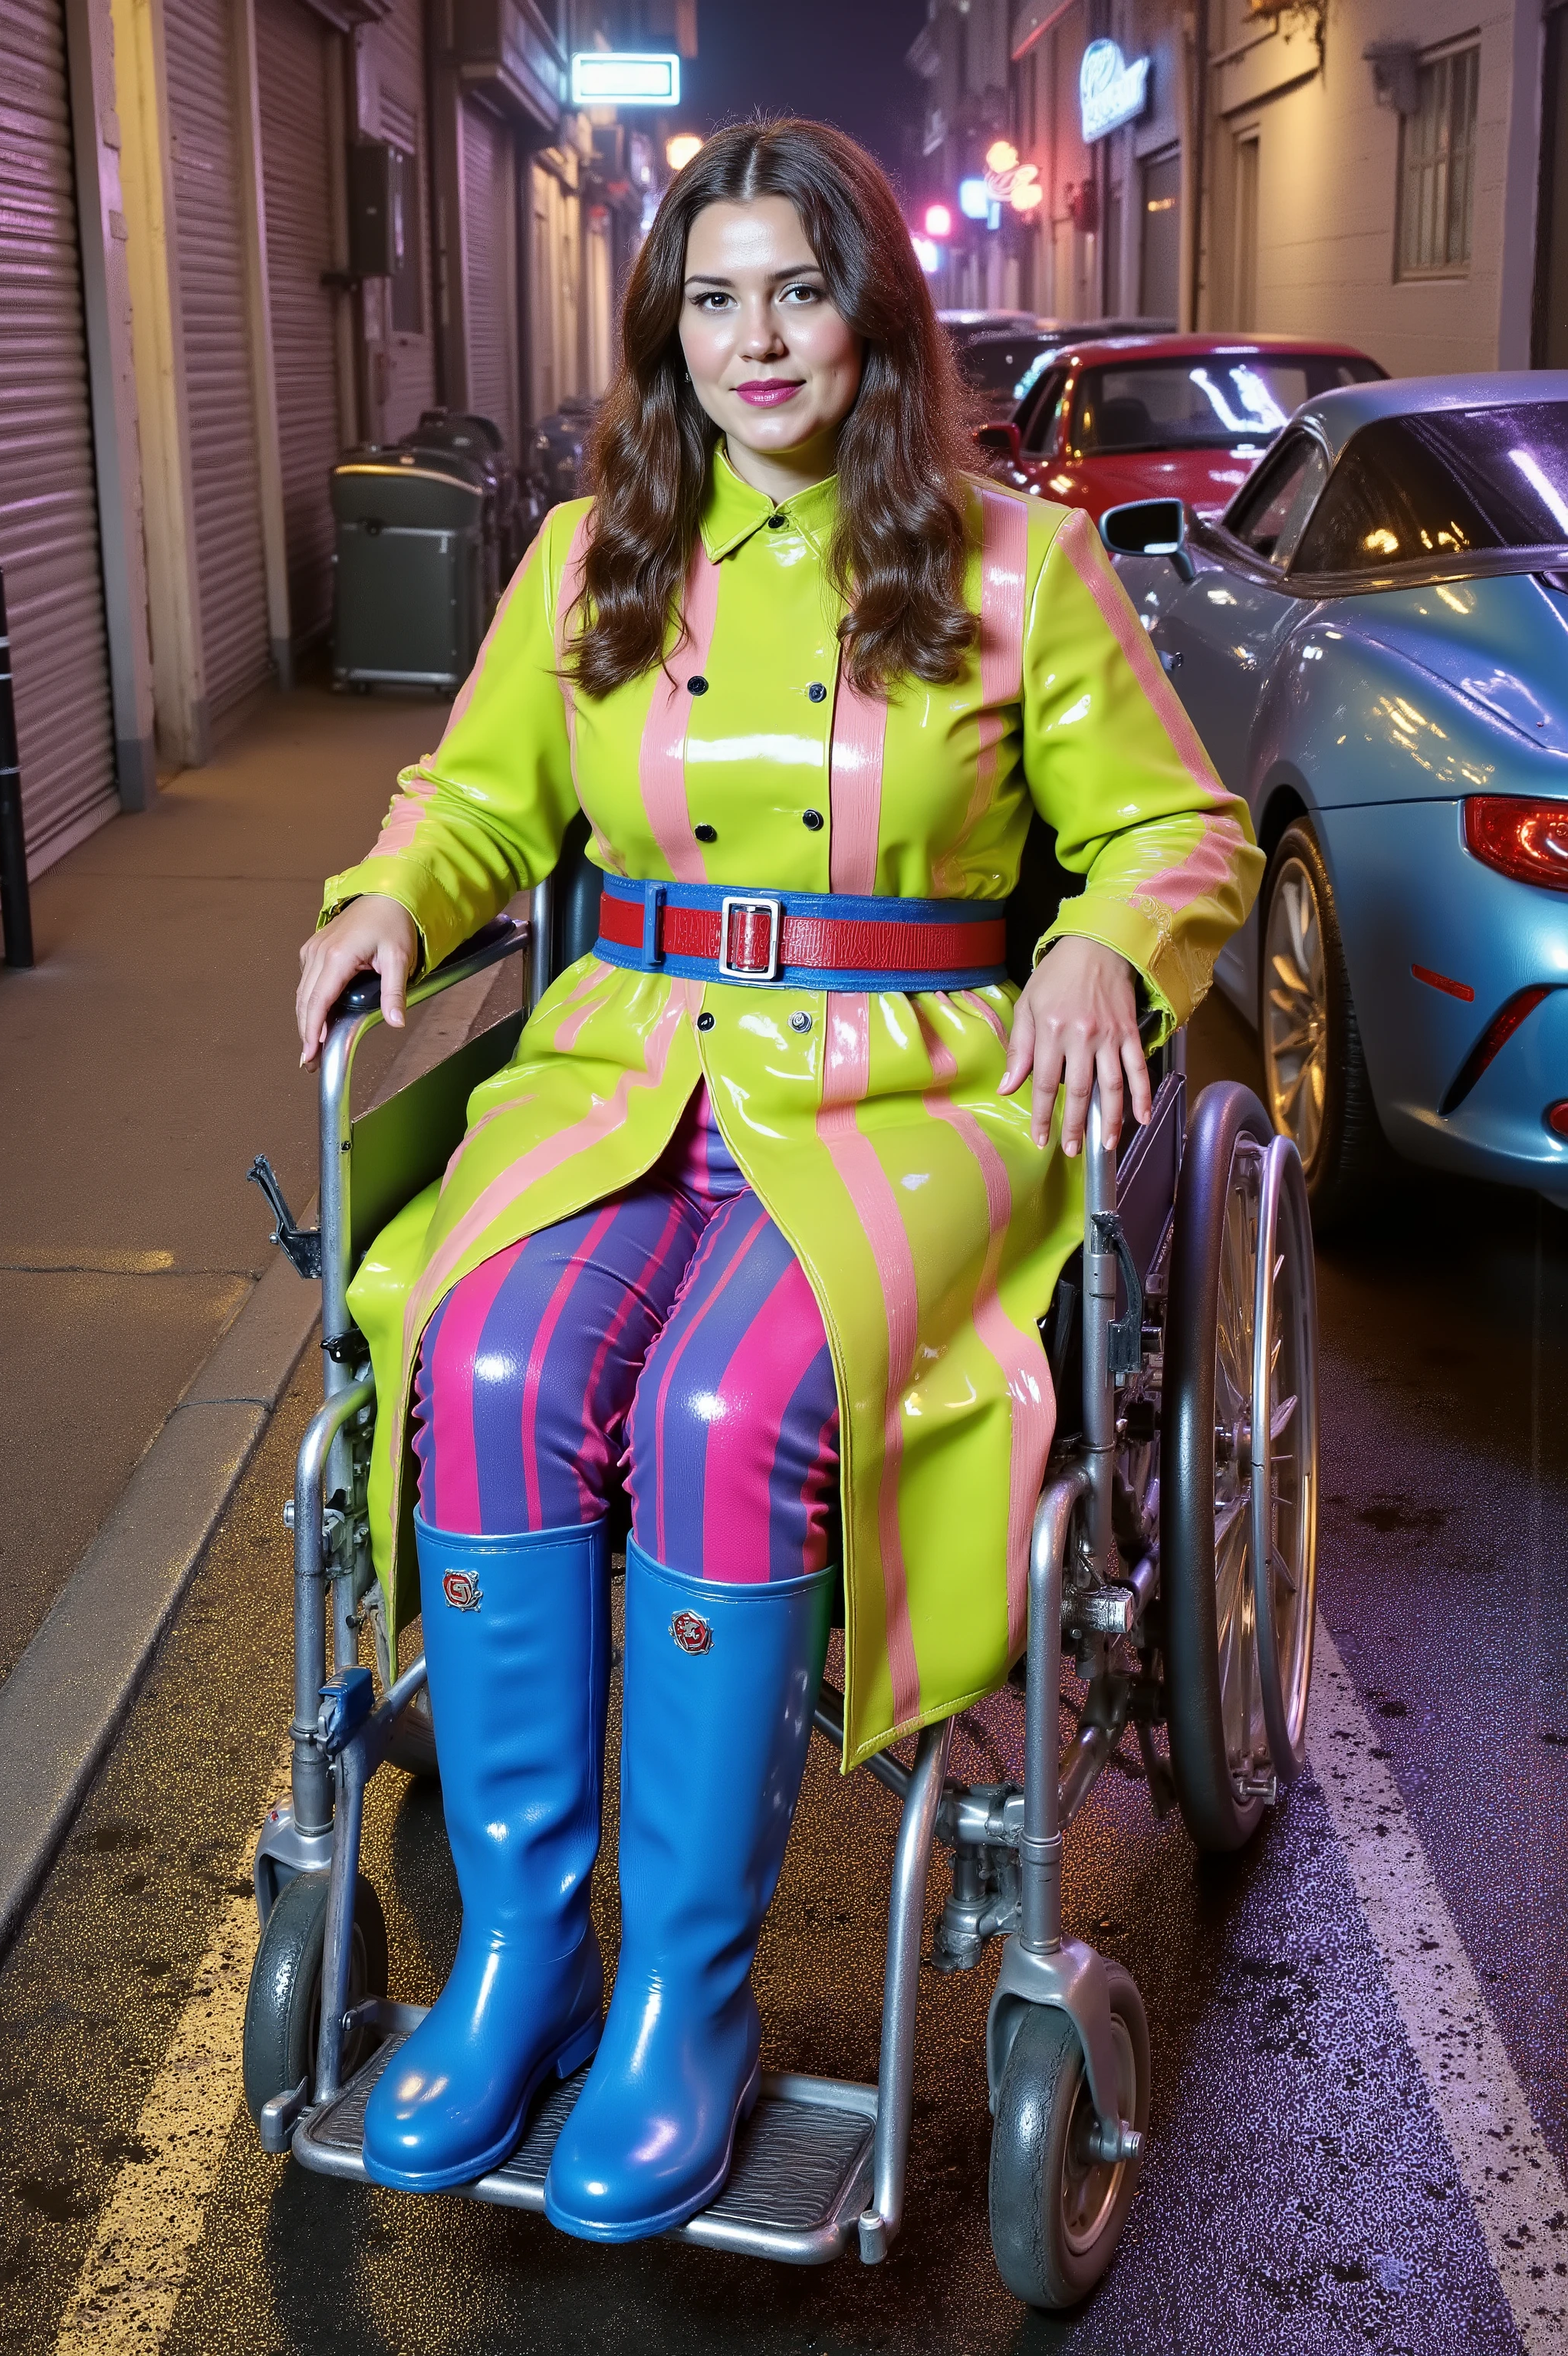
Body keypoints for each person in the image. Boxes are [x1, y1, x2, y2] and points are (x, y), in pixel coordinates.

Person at [295, 119, 1261, 2240]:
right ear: (668, 329)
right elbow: (472, 799)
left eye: (796, 293)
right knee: (481, 1361)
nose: (756, 339)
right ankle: (528, 1958)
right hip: (627, 1071)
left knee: (722, 1409)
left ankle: (684, 2001)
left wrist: (1104, 935)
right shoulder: (586, 561)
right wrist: (393, 893)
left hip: (904, 1094)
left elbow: (1188, 833)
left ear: (869, 318)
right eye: (712, 297)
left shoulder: (1019, 564)